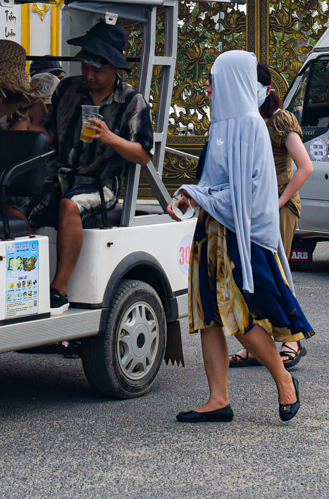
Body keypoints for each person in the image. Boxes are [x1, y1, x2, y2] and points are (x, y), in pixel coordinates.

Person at [169, 50, 311, 424]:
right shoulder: (220, 126)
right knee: (207, 317)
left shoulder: (250, 125)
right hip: (210, 233)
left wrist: (196, 194)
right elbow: (211, 185)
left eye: (213, 79)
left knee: (238, 316)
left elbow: (247, 193)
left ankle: (284, 380)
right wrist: (187, 196)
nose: (208, 86)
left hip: (238, 238)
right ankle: (218, 399)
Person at [40, 22, 155, 311]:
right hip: (58, 171)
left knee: (70, 205)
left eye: (97, 69)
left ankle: (59, 288)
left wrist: (110, 137)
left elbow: (143, 154)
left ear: (115, 68)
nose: (89, 75)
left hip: (101, 181)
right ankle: (27, 283)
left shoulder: (132, 100)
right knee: (14, 203)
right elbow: (50, 133)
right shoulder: (67, 88)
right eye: (85, 67)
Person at [254, 59, 313, 369]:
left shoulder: (281, 120)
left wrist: (280, 201)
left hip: (279, 205)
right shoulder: (249, 119)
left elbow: (306, 167)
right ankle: (258, 345)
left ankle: (292, 339)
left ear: (266, 89)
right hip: (255, 206)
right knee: (257, 276)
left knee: (276, 273)